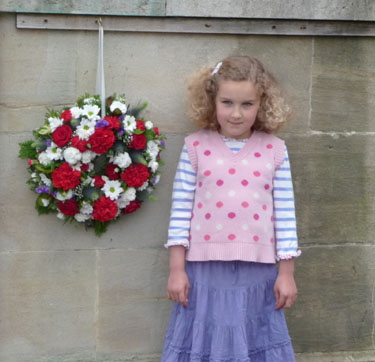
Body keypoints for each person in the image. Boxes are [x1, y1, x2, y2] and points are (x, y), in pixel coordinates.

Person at [161, 56, 301, 362]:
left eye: (247, 104)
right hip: (204, 272)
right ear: (212, 100)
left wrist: (286, 273)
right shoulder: (195, 147)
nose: (236, 114)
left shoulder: (274, 150)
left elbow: (286, 215)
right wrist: (176, 270)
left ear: (261, 104)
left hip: (258, 272)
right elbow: (181, 209)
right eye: (227, 102)